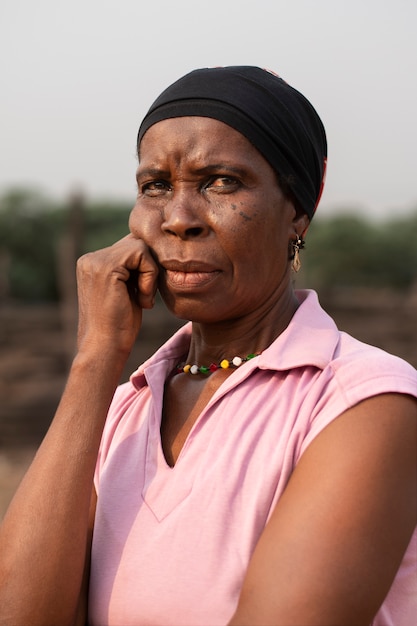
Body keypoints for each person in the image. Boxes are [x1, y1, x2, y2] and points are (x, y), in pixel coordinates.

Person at [0, 66, 416, 626]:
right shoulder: (125, 407)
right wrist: (95, 360)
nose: (178, 219)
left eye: (222, 182)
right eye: (155, 186)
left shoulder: (363, 405)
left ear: (298, 209)